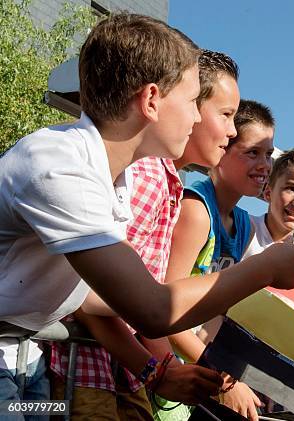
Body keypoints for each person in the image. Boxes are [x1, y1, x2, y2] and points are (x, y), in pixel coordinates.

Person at [0, 13, 294, 412]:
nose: (197, 117)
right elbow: (153, 308)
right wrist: (268, 267)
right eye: (195, 101)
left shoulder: (110, 179)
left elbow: (91, 298)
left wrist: (153, 370)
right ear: (152, 100)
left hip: (23, 356)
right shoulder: (57, 165)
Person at [48, 48, 242, 421]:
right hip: (90, 367)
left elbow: (142, 303)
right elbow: (95, 294)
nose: (233, 131)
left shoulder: (168, 180)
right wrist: (158, 369)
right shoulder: (146, 175)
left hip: (121, 366)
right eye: (226, 115)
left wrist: (159, 368)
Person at [166, 99, 276, 420]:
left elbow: (215, 311)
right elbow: (163, 310)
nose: (265, 165)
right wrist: (223, 379)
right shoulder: (197, 210)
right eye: (252, 152)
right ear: (223, 150)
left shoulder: (242, 224)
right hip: (162, 366)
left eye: (269, 154)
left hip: (193, 368)